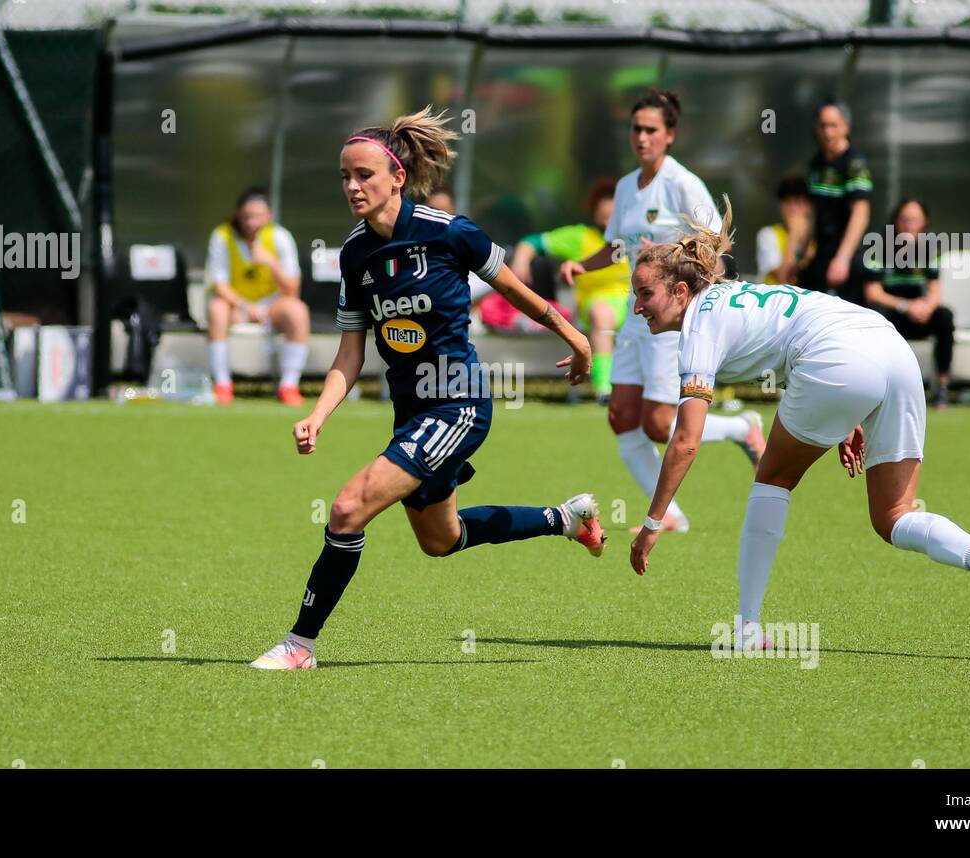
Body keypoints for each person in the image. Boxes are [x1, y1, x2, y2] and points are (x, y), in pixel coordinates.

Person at [250, 107, 605, 671]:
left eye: (364, 174)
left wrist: (576, 336)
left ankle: (300, 646)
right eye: (344, 176)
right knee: (442, 539)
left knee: (347, 509)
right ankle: (566, 518)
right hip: (412, 412)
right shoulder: (355, 254)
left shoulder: (451, 233)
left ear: (397, 176)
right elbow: (350, 351)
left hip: (459, 403)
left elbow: (516, 292)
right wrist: (319, 415)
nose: (351, 186)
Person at [627, 200, 970, 648]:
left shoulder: (698, 327)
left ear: (680, 291)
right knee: (894, 516)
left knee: (772, 477)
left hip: (841, 358)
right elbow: (794, 336)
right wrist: (846, 414)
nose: (638, 307)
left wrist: (653, 524)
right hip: (890, 347)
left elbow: (685, 442)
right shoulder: (733, 296)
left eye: (644, 293)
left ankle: (747, 629)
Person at [558, 89, 765, 535]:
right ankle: (670, 516)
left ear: (670, 135)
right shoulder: (625, 186)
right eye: (636, 128)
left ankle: (740, 428)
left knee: (657, 424)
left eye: (651, 129)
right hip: (638, 315)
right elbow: (617, 246)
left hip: (671, 319)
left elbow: (718, 243)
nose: (642, 136)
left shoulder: (682, 183)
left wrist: (672, 258)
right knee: (620, 416)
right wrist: (583, 263)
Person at [512, 178, 629, 402]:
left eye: (613, 214)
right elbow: (532, 241)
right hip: (597, 304)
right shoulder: (579, 236)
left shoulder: (632, 234)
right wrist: (521, 259)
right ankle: (605, 390)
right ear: (594, 211)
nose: (608, 218)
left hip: (634, 302)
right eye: (603, 213)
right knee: (602, 313)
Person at [204, 188, 310, 405]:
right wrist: (244, 305)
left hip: (271, 306)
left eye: (258, 217)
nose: (252, 223)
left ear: (269, 216)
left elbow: (292, 289)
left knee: (298, 311)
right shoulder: (222, 236)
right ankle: (222, 384)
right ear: (238, 215)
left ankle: (289, 386)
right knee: (217, 309)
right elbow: (220, 284)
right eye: (246, 217)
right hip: (236, 305)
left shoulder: (280, 237)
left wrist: (272, 264)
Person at [862, 198, 955, 408]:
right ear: (895, 221)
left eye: (915, 220)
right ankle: (882, 387)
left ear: (924, 223)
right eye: (904, 219)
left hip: (919, 315)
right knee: (877, 315)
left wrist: (925, 308)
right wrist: (905, 306)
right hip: (894, 314)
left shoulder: (930, 249)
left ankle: (942, 388)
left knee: (945, 316)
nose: (909, 225)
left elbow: (935, 292)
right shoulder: (879, 248)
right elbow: (873, 293)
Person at [803, 100, 872, 304]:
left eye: (833, 125)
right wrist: (801, 254)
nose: (828, 132)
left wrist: (843, 258)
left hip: (847, 256)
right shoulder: (817, 164)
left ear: (846, 127)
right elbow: (813, 214)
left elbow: (861, 213)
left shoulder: (854, 163)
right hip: (822, 254)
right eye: (823, 126)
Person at [756, 175, 813, 286]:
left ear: (808, 206)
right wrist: (794, 234)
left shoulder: (817, 237)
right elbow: (784, 279)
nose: (792, 208)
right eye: (788, 202)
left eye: (798, 202)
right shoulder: (768, 235)